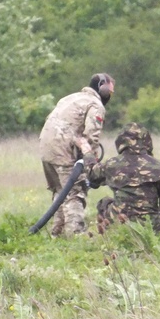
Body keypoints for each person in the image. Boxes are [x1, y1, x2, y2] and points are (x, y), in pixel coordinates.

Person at [39, 73, 115, 236]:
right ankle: (76, 234)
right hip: (64, 149)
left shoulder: (69, 98)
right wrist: (91, 167)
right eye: (110, 92)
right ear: (102, 89)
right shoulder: (95, 104)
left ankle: (57, 233)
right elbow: (91, 136)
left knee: (60, 191)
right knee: (74, 191)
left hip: (46, 148)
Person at [88, 123, 160, 233]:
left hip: (120, 225)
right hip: (151, 227)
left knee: (104, 203)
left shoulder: (112, 164)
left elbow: (91, 176)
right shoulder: (158, 166)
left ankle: (109, 235)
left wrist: (88, 154)